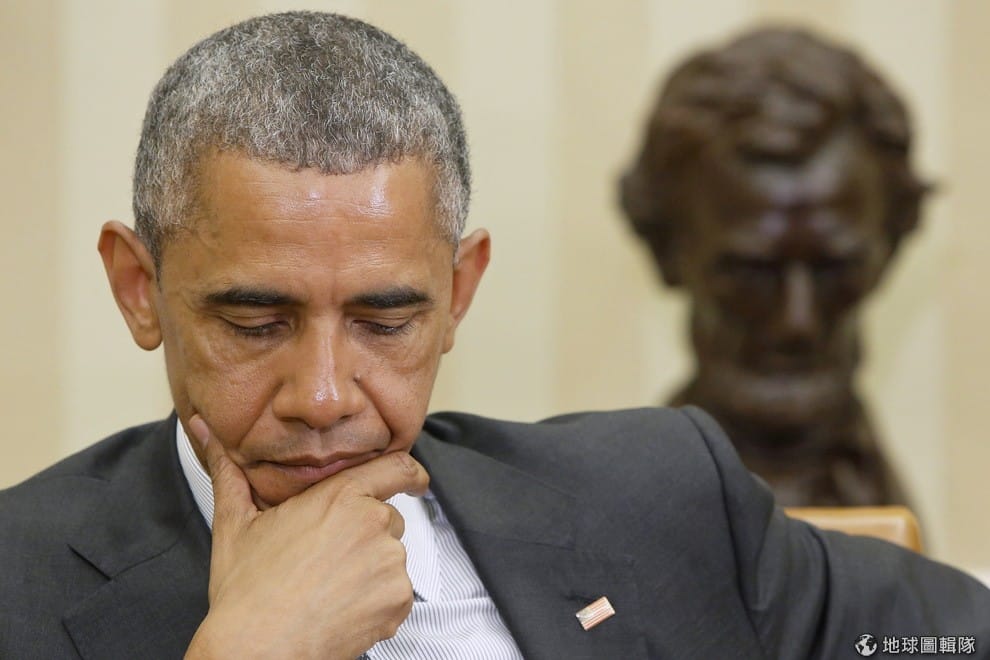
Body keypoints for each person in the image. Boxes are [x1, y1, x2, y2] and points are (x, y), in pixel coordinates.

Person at [1, 12, 987, 660]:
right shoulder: (19, 586)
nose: (325, 395)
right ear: (139, 289)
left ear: (459, 292)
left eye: (387, 321)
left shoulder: (658, 497)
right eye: (256, 323)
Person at [619, 28, 925, 507]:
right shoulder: (633, 505)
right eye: (751, 273)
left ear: (891, 247)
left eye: (835, 270)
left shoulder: (879, 500)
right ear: (666, 249)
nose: (796, 322)